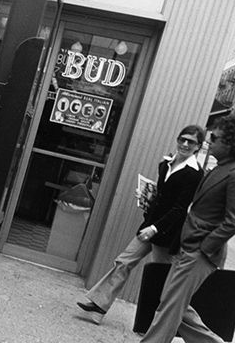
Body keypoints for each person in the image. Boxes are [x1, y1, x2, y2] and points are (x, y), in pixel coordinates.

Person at [117, 115, 235, 343]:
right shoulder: (220, 168)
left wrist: (204, 247)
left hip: (201, 252)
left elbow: (234, 221)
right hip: (189, 247)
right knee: (172, 300)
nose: (209, 141)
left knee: (170, 304)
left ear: (232, 143)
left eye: (215, 138)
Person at [77, 125, 205, 324]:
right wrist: (147, 198)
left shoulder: (195, 174)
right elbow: (162, 197)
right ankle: (99, 306)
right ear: (177, 139)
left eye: (191, 142)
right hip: (149, 226)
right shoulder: (165, 164)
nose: (185, 144)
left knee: (164, 283)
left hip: (166, 233)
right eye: (183, 139)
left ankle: (191, 328)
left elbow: (180, 208)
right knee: (124, 262)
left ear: (198, 147)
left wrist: (154, 228)